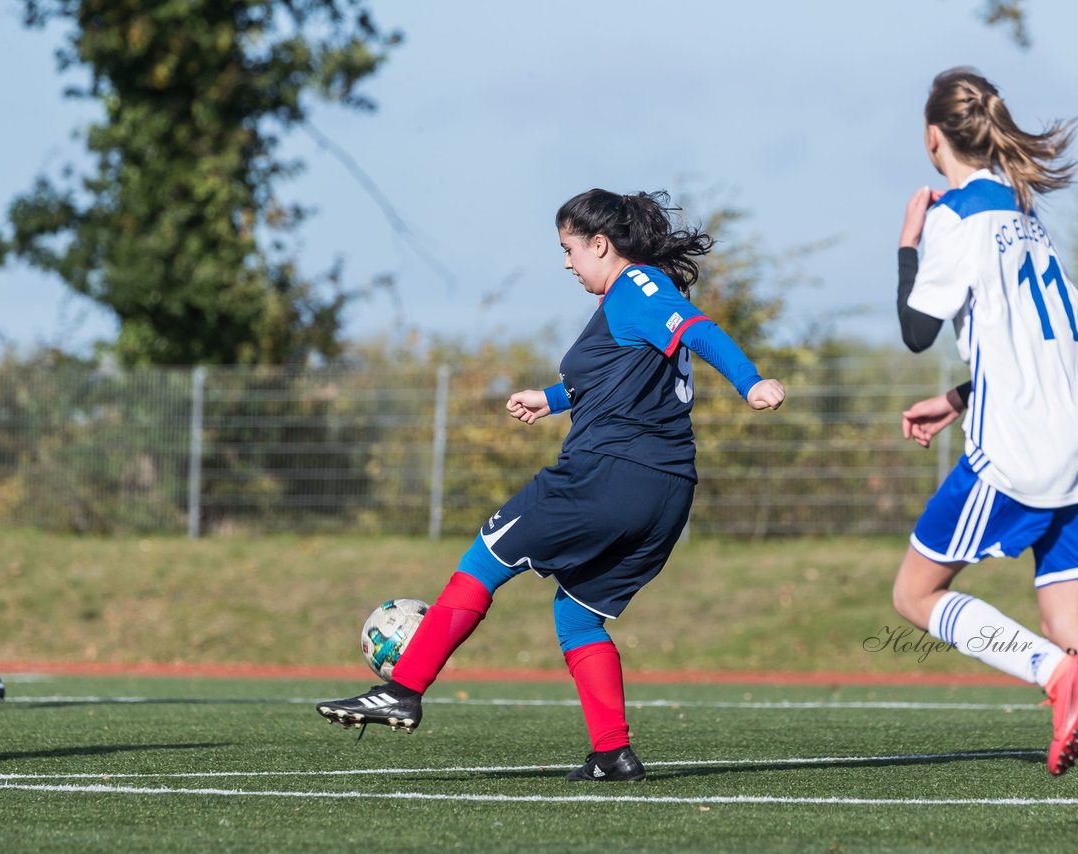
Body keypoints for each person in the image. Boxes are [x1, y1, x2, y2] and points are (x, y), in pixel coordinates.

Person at [316, 188, 786, 781]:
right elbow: (621, 376)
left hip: (606, 474)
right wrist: (552, 398)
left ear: (600, 244)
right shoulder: (627, 301)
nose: (566, 263)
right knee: (578, 617)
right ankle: (612, 753)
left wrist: (750, 381)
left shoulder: (638, 289)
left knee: (485, 555)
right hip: (666, 492)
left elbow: (700, 331)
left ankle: (403, 688)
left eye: (569, 249)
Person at [894, 67, 1078, 839]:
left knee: (915, 598)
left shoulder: (958, 217)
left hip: (1020, 450)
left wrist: (908, 246)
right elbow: (1029, 339)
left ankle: (1057, 679)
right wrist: (958, 397)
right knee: (1074, 622)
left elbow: (916, 330)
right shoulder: (1025, 217)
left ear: (933, 139)